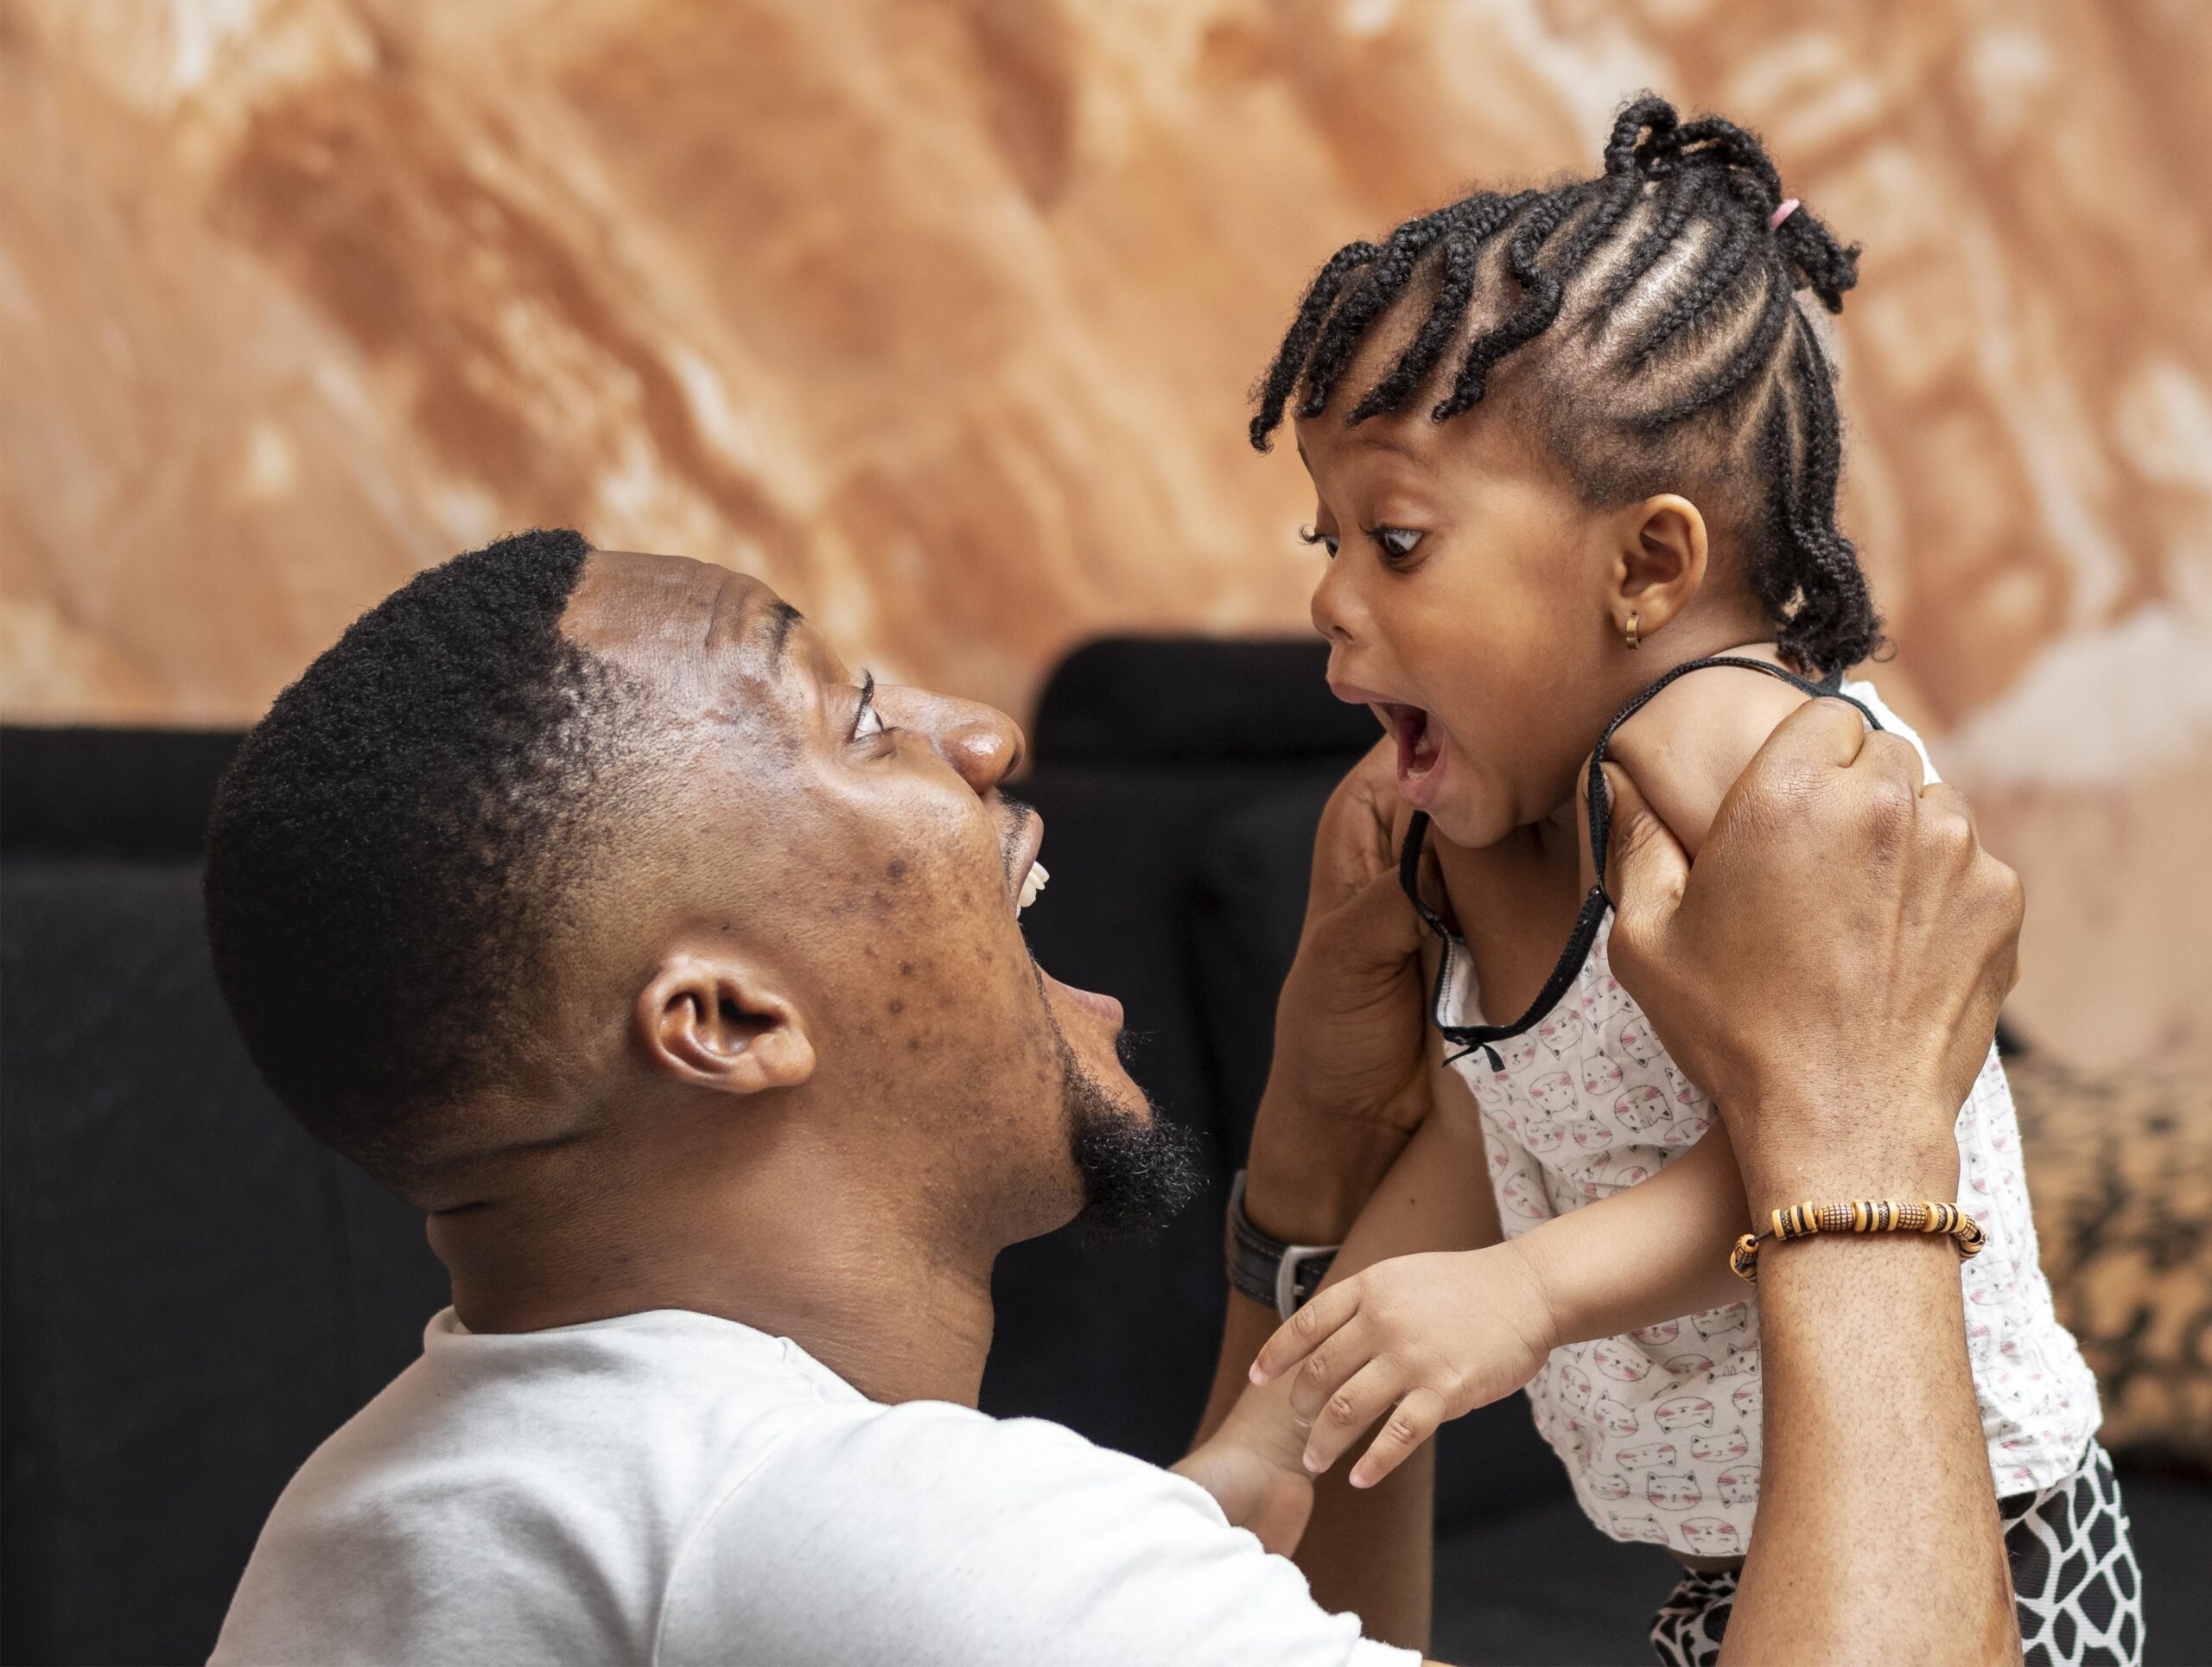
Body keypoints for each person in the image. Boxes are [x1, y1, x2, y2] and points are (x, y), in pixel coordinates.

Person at [204, 528, 2024, 1664]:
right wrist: (1856, 1121)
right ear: (727, 1017)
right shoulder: (829, 1531)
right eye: (853, 721)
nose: (980, 733)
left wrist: (1309, 1183)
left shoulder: (421, 1498)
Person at [1184, 96, 2137, 1667]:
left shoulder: (1760, 770)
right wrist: (1273, 1430)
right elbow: (1506, 1137)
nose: (1329, 599)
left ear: (1649, 565)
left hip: (1984, 1545)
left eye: (1398, 541)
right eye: (1325, 531)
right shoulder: (1487, 829)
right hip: (1734, 1553)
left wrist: (1529, 1294)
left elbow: (1808, 1143)